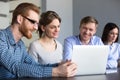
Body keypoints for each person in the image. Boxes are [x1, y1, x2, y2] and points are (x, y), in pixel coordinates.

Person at [0, 3, 77, 79]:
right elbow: (15, 67)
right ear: (20, 19)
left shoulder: (20, 45)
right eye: (33, 22)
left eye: (37, 24)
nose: (36, 28)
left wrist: (59, 65)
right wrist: (56, 72)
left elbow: (34, 65)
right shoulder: (1, 38)